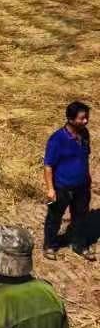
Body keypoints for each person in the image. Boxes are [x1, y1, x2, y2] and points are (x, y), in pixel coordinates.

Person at [43, 101, 94, 261]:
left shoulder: (84, 134)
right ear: (71, 119)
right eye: (82, 118)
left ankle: (78, 244)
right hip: (62, 187)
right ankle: (50, 245)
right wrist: (51, 189)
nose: (86, 121)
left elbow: (84, 157)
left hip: (82, 186)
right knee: (54, 217)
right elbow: (48, 166)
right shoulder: (57, 139)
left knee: (80, 217)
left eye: (86, 117)